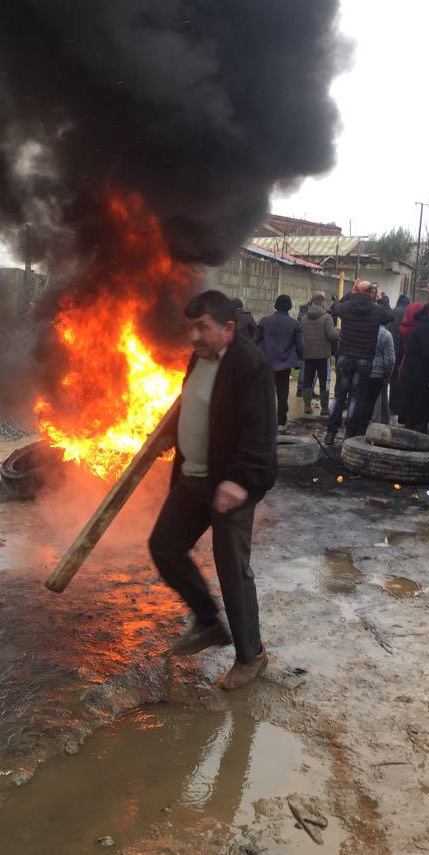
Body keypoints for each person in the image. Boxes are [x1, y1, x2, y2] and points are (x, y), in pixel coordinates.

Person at [149, 290, 277, 688]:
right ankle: (207, 622)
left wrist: (239, 481)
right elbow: (191, 405)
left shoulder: (249, 365)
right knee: (164, 545)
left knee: (232, 570)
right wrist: (166, 436)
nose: (194, 336)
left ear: (227, 329)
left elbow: (260, 431)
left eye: (201, 328)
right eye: (190, 328)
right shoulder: (200, 357)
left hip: (231, 482)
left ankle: (251, 657)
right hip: (195, 477)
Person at [325, 281, 394, 444]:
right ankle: (350, 434)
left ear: (355, 291)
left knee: (339, 397)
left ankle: (330, 432)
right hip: (364, 360)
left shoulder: (347, 308)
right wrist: (380, 299)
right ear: (372, 293)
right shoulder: (376, 310)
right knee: (356, 398)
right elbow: (390, 316)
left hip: (345, 357)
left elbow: (335, 306)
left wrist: (352, 293)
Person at [256, 295, 304, 434]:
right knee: (283, 395)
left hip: (266, 364)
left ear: (275, 305)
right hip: (284, 365)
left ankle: (266, 422)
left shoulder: (264, 321)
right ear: (289, 307)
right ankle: (281, 424)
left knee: (266, 394)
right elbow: (300, 346)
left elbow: (255, 341)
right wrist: (299, 359)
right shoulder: (294, 324)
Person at [395, 302, 429, 432]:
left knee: (416, 415)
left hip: (421, 378)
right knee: (418, 415)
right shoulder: (425, 329)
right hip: (419, 379)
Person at [300, 291, 338, 416]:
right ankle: (325, 408)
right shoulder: (327, 318)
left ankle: (307, 405)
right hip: (323, 355)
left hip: (308, 354)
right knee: (324, 381)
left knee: (307, 380)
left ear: (312, 301)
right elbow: (332, 336)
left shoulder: (304, 318)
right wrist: (338, 331)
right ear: (322, 302)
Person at [364, 324, 395, 425]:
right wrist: (387, 374)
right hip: (378, 372)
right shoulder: (386, 334)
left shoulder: (364, 329)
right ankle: (375, 428)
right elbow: (390, 359)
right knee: (377, 403)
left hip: (363, 369)